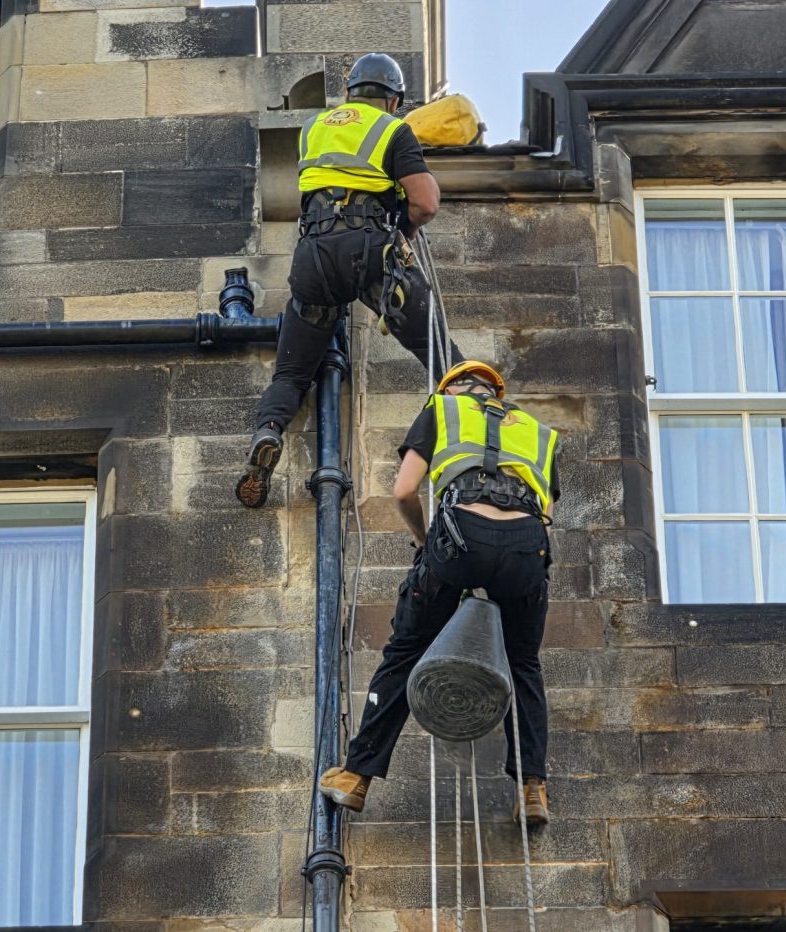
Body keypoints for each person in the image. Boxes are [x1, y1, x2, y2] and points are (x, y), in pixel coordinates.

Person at [317, 361, 560, 825]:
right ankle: (533, 789)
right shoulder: (539, 432)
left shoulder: (442, 410)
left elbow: (405, 491)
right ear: (497, 393)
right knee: (524, 663)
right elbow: (543, 508)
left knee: (406, 650)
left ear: (453, 390)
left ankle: (356, 776)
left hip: (461, 538)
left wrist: (429, 545)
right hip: (527, 549)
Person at [236, 52, 464, 509]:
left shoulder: (313, 129)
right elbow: (426, 202)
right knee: (442, 356)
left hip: (313, 257)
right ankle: (474, 439)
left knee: (293, 371)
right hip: (367, 253)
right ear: (393, 99)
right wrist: (403, 230)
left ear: (349, 92)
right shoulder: (392, 129)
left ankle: (268, 432)